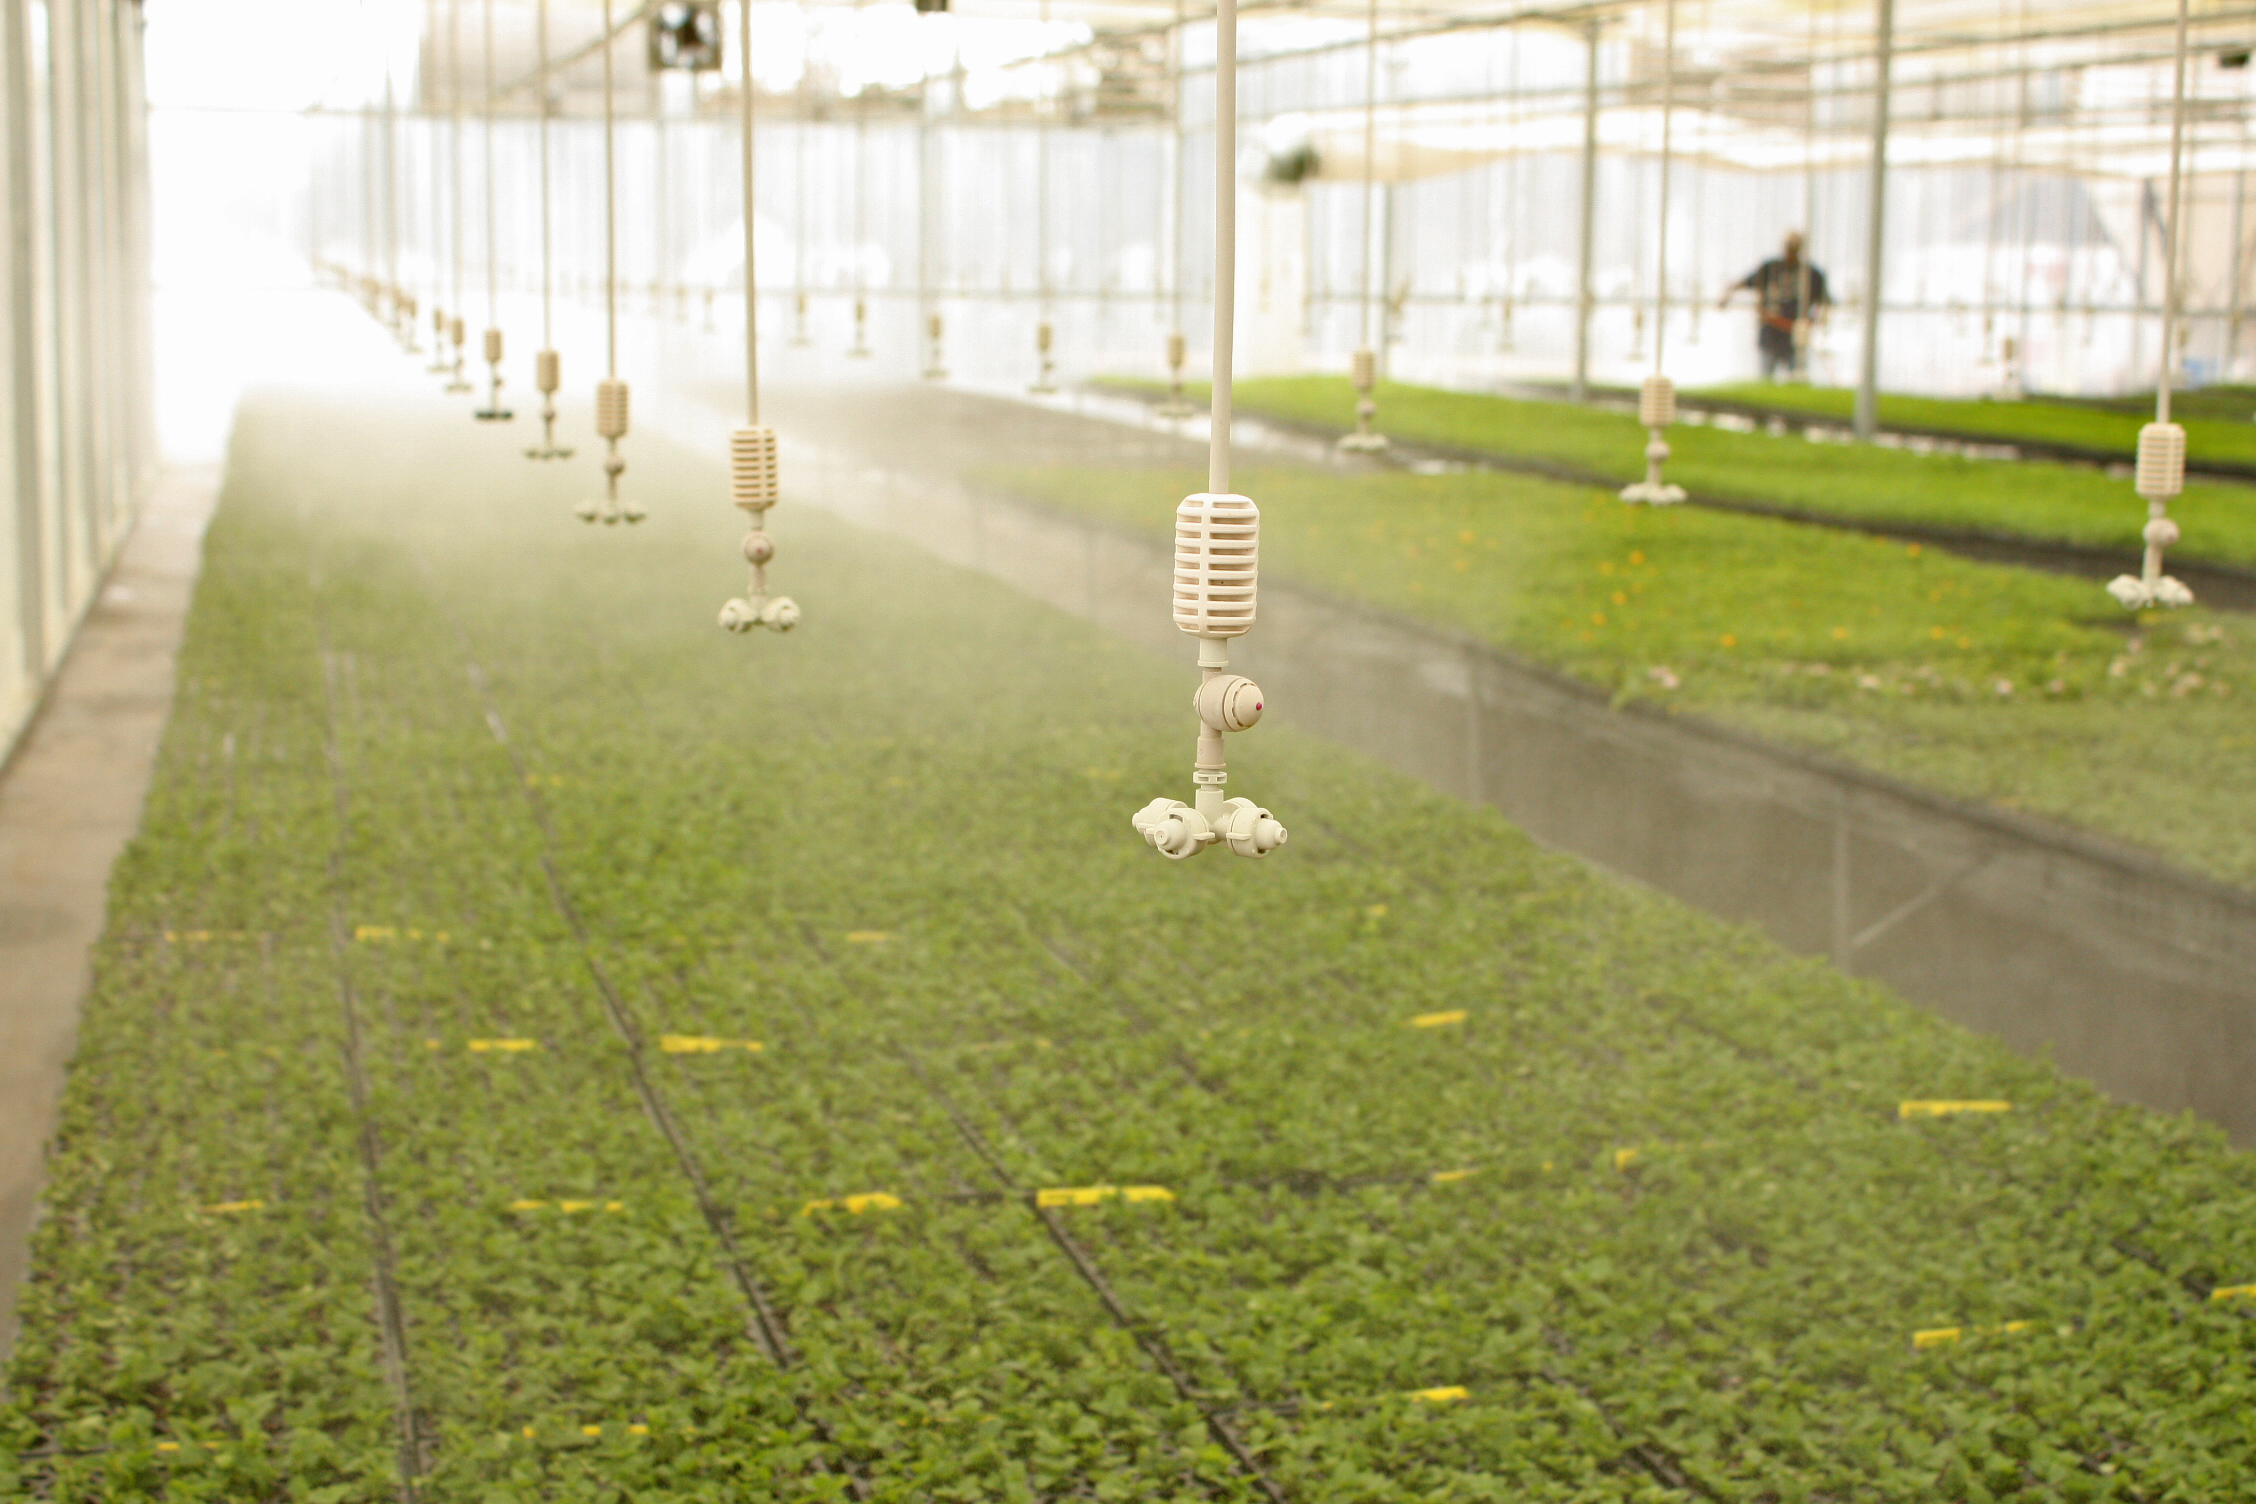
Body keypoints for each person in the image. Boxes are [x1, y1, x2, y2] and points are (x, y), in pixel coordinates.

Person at [1719, 232, 1830, 381]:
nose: (1791, 251)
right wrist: (1727, 295)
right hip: (1770, 336)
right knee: (1765, 379)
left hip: (1796, 339)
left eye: (1794, 247)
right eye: (1789, 247)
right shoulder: (1770, 268)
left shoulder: (1812, 274)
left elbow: (1825, 302)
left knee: (1797, 381)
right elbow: (1744, 282)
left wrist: (1811, 321)